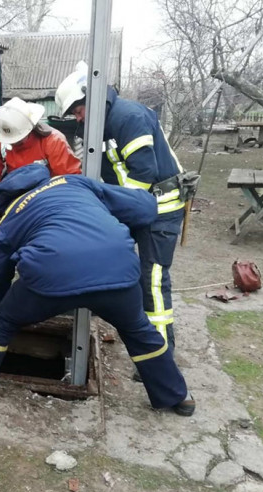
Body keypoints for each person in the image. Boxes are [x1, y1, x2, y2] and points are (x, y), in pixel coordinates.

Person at [0, 164, 195, 425]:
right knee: (139, 330)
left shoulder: (11, 217)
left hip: (50, 280)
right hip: (118, 271)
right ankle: (178, 395)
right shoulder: (73, 183)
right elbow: (144, 208)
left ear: (6, 200)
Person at [55, 63, 186, 364]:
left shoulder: (128, 117)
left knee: (152, 280)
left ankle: (160, 357)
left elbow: (142, 175)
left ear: (93, 97)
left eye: (78, 111)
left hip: (160, 209)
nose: (78, 119)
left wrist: (108, 206)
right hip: (136, 207)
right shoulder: (102, 124)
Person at [0, 97, 81, 293]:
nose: (17, 143)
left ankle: (48, 285)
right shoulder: (1, 141)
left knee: (47, 241)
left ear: (30, 128)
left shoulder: (53, 141)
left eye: (20, 140)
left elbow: (69, 178)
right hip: (10, 199)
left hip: (44, 200)